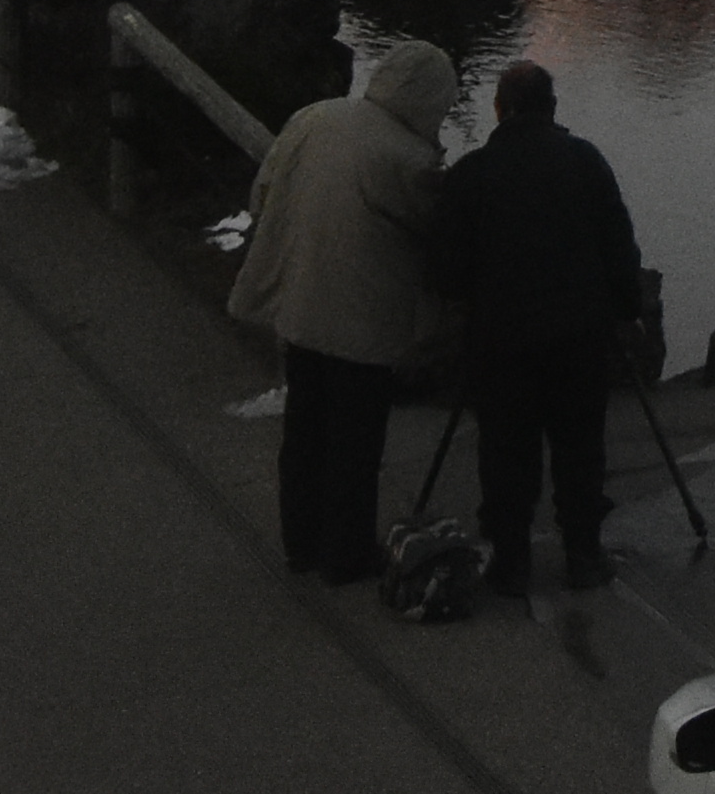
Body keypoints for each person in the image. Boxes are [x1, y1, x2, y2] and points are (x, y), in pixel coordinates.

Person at [226, 36, 455, 583]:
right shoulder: (410, 159)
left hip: (301, 307)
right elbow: (438, 236)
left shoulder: (315, 118)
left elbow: (264, 192)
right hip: (365, 327)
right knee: (355, 445)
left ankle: (299, 543)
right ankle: (346, 555)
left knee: (304, 431)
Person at [435, 57, 646, 592]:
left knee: (506, 449)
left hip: (501, 341)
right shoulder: (585, 162)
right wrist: (627, 310)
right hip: (577, 337)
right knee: (579, 445)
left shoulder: (473, 174)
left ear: (499, 110)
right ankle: (582, 553)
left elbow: (448, 272)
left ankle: (511, 560)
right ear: (552, 108)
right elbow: (618, 247)